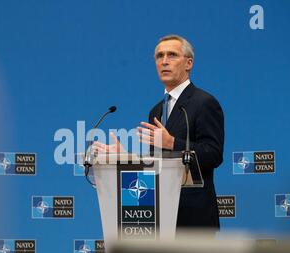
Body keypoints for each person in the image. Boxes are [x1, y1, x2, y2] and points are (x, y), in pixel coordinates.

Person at [95, 35, 224, 229]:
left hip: (193, 218)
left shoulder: (204, 103)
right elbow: (158, 163)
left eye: (172, 55)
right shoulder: (156, 110)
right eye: (159, 56)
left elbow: (213, 154)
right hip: (159, 216)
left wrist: (172, 143)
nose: (164, 61)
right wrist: (126, 157)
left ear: (189, 63)